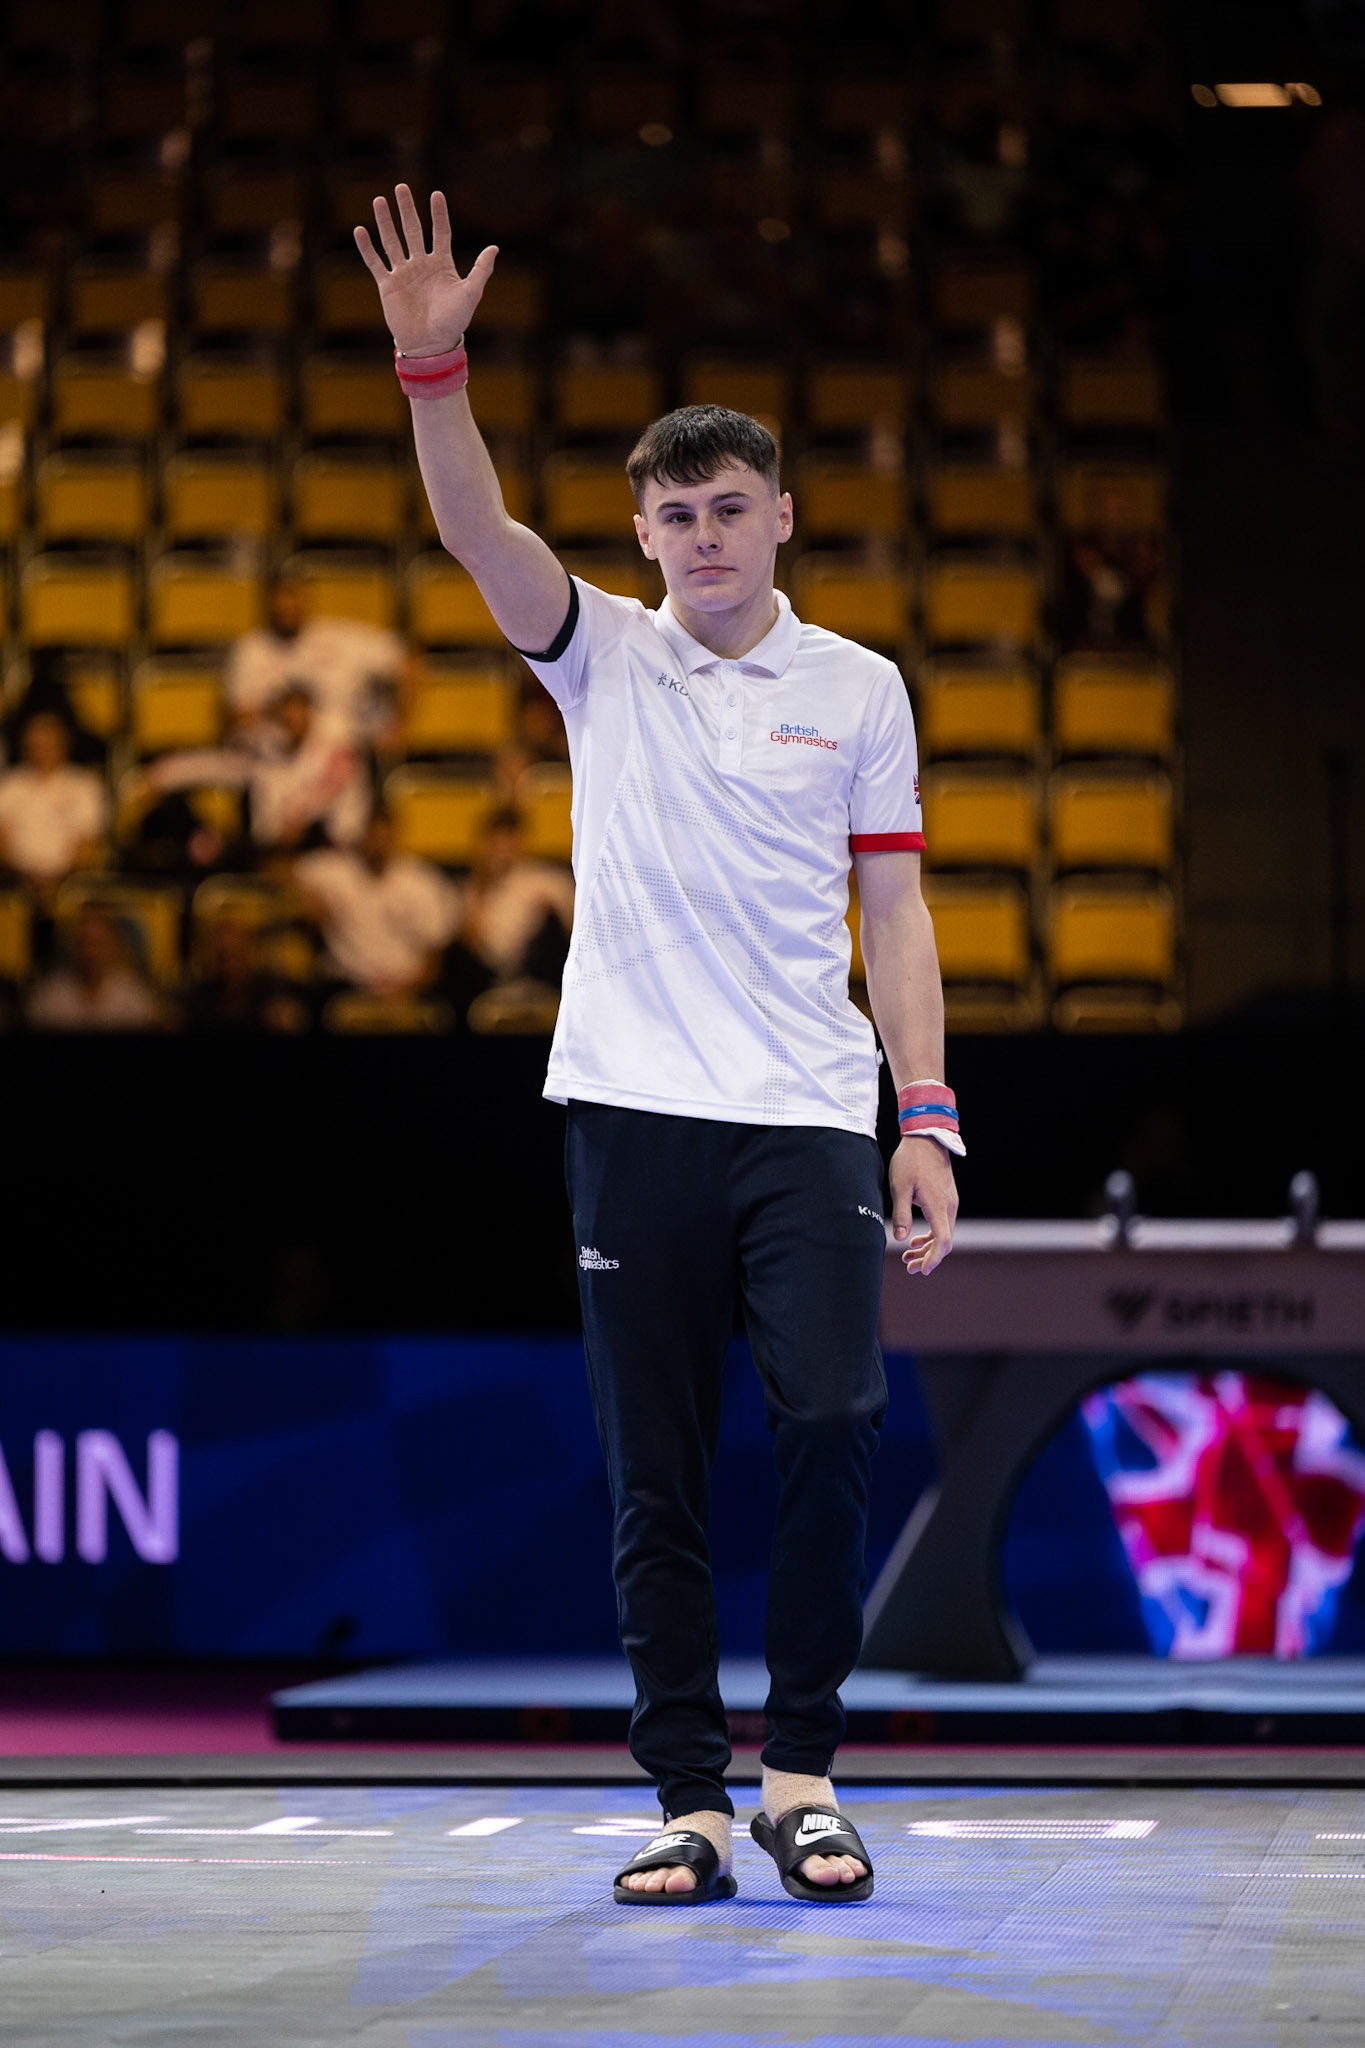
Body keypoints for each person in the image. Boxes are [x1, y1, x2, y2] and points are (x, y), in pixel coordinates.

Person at [356, 186, 962, 1907]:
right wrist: (432, 370)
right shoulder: (599, 657)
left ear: (780, 518)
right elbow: (478, 533)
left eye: (728, 508)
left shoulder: (860, 688)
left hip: (803, 1116)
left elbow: (898, 918)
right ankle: (691, 1798)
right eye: (673, 512)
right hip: (628, 1114)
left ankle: (804, 1773)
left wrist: (925, 1114)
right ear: (640, 534)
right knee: (660, 1469)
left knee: (836, 1417)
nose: (701, 534)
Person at [142, 683, 371, 860]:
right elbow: (218, 765)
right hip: (263, 849)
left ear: (311, 713)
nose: (292, 718)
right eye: (287, 711)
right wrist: (166, 773)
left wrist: (299, 817)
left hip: (321, 850)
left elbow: (333, 794)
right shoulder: (266, 750)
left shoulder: (335, 754)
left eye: (299, 710)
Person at [226, 573, 412, 754]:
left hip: (345, 750)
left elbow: (405, 660)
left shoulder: (337, 637)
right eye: (280, 599)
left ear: (304, 599)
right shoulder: (251, 649)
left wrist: (399, 723)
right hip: (278, 755)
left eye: (292, 597)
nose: (287, 606)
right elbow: (238, 716)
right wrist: (285, 714)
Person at [294, 807, 461, 997]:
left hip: (407, 988)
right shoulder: (336, 871)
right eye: (374, 837)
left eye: (385, 838)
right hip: (347, 984)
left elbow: (434, 960)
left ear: (396, 839)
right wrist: (307, 898)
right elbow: (281, 870)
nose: (379, 846)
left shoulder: (423, 883)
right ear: (364, 837)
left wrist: (405, 989)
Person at [0, 711, 108, 896]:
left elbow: (87, 844)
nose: (41, 751)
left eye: (48, 744)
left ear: (64, 745)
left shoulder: (84, 785)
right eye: (35, 745)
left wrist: (62, 880)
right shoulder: (10, 785)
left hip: (70, 883)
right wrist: (25, 876)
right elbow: (2, 840)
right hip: (16, 883)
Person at [27, 903, 163, 1031]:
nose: (90, 953)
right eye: (84, 943)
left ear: (113, 945)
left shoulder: (132, 995)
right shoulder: (50, 997)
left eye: (97, 944)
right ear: (72, 947)